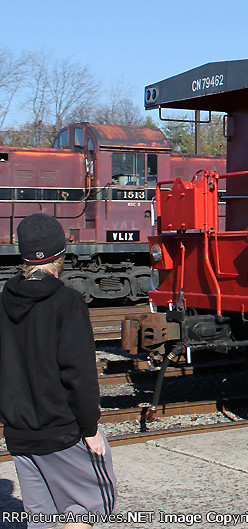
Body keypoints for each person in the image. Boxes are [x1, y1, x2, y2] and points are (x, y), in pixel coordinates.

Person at [0, 213, 116, 529]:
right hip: (62, 432)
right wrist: (90, 429)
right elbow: (78, 373)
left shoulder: (2, 302)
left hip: (20, 436)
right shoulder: (67, 302)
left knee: (42, 519)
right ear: (59, 254)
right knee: (90, 507)